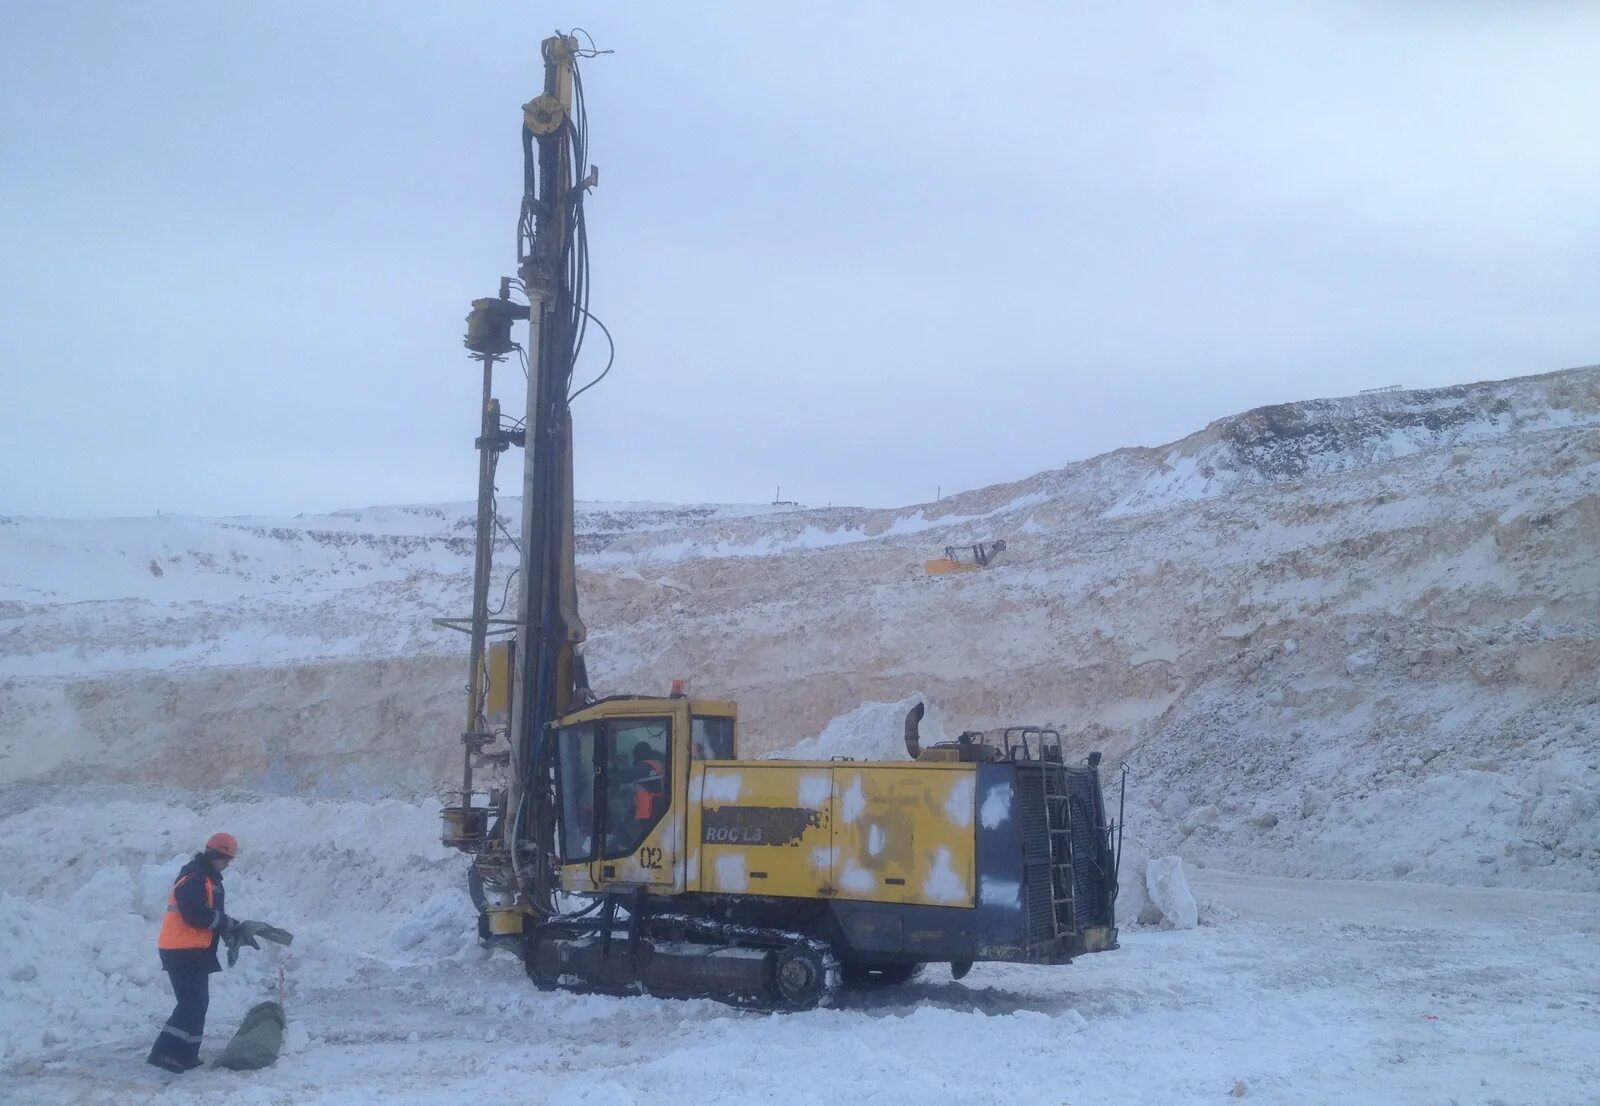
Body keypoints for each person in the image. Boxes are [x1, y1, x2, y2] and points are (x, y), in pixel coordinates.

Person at [147, 833, 241, 1073]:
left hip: (195, 950)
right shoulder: (195, 878)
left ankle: (187, 1055)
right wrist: (226, 923)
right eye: (227, 859)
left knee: (198, 1003)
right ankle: (164, 1053)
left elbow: (209, 916)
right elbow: (196, 915)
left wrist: (227, 928)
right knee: (192, 1003)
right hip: (181, 950)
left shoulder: (208, 879)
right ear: (216, 855)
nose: (228, 864)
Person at [631, 741, 665, 824]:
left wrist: (610, 775)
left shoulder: (644, 767)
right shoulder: (655, 767)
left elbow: (626, 776)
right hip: (655, 808)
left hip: (647, 811)